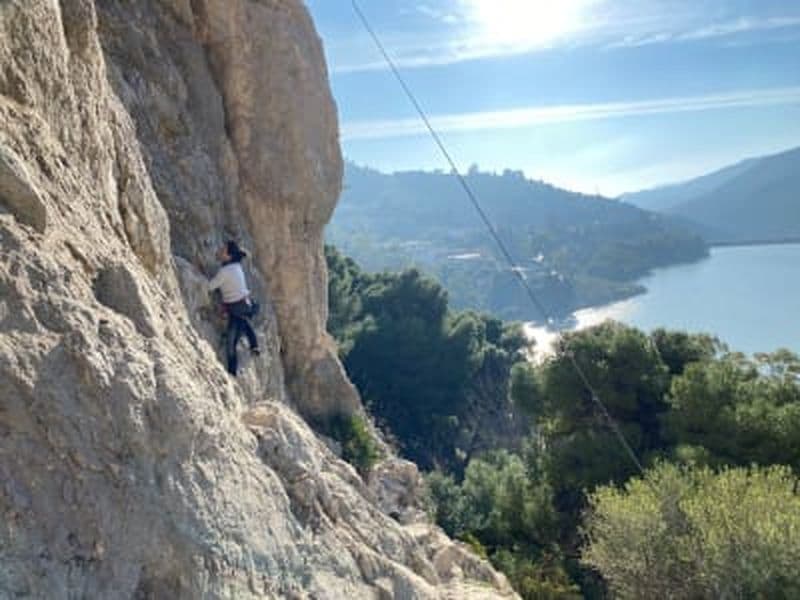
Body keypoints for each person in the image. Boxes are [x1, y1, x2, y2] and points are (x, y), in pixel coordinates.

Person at [208, 240, 260, 375]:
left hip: (236, 308)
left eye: (223, 250)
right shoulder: (236, 266)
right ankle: (254, 346)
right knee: (242, 326)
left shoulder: (225, 271)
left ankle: (233, 371)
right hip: (244, 304)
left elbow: (211, 286)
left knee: (231, 341)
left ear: (229, 256)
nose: (220, 251)